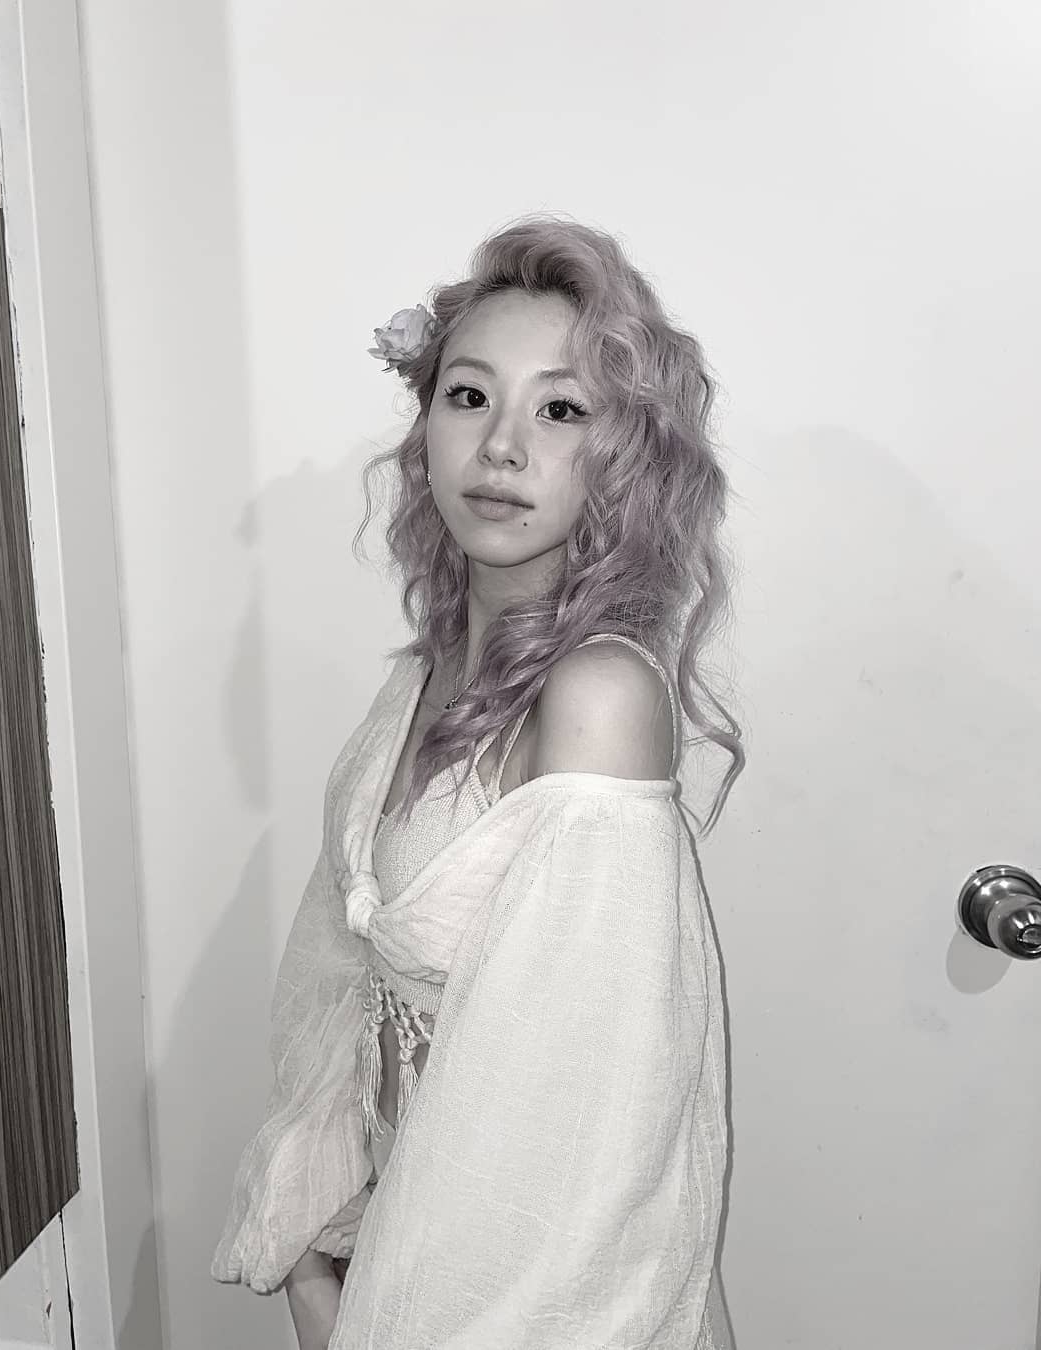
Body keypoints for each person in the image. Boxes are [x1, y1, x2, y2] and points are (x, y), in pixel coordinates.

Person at [210, 213, 744, 1349]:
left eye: (561, 410)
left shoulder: (598, 696)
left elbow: (585, 1146)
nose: (501, 447)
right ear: (426, 429)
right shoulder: (425, 671)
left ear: (624, 452)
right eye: (469, 396)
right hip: (389, 1257)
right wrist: (318, 1235)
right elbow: (345, 983)